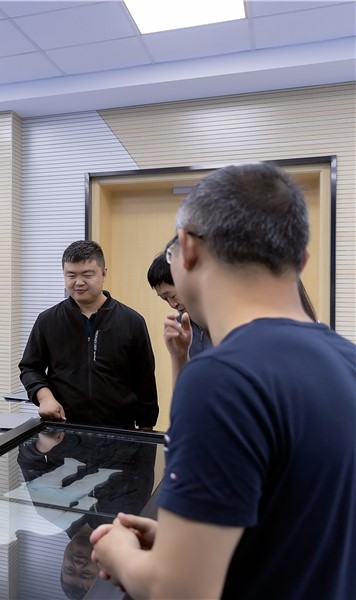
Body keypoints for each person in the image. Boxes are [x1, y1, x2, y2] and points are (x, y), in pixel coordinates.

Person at [90, 163, 356, 599]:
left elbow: (178, 592)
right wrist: (182, 544)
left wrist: (117, 551)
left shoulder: (222, 378)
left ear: (188, 249)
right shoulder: (348, 360)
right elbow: (302, 529)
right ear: (301, 260)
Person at [18, 240, 158, 429]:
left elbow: (145, 381)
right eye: (71, 275)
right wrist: (45, 397)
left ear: (103, 273)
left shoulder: (132, 321)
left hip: (119, 431)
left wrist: (146, 428)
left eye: (87, 275)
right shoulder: (47, 320)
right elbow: (30, 368)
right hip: (63, 429)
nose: (79, 282)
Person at [17, 427, 156, 599]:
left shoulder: (49, 511)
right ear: (103, 570)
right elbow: (145, 454)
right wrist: (146, 424)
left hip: (69, 419)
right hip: (119, 419)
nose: (77, 564)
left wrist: (41, 445)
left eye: (69, 569)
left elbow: (27, 459)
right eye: (86, 573)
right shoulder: (128, 518)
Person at [146, 252, 213, 386]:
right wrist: (178, 356)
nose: (172, 304)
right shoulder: (180, 326)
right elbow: (182, 387)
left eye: (172, 296)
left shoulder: (226, 319)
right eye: (165, 299)